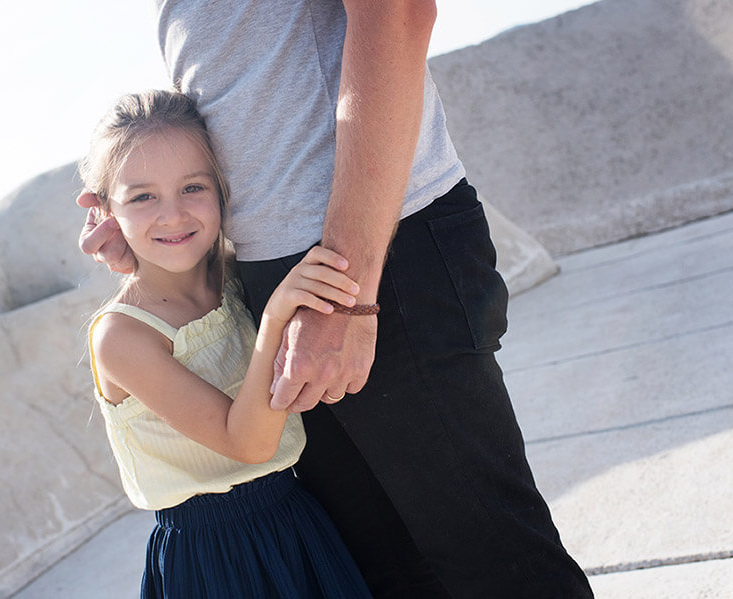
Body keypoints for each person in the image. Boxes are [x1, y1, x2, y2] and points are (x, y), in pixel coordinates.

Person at [79, 2, 594, 597]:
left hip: (364, 254)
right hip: (273, 275)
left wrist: (348, 295)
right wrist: (150, 237)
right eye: (138, 198)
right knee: (390, 572)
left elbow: (397, 14)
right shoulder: (175, 306)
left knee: (494, 561)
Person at [81, 89, 372, 598]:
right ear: (106, 210)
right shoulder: (122, 336)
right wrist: (278, 316)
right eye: (142, 196)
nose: (172, 215)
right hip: (213, 557)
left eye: (193, 186)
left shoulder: (236, 278)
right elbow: (248, 444)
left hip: (297, 518)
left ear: (221, 188)